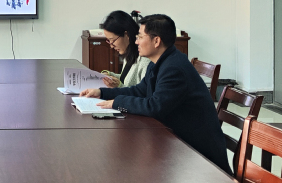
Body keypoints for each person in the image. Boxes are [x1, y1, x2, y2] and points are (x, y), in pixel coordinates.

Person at [81, 14, 232, 174]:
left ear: (156, 41)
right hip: (179, 146)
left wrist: (116, 102)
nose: (136, 41)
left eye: (140, 37)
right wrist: (102, 92)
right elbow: (139, 91)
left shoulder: (174, 68)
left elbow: (154, 106)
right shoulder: (159, 62)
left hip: (200, 158)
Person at [100, 10, 151, 88]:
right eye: (108, 41)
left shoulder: (145, 60)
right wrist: (108, 75)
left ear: (126, 35)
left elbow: (144, 93)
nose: (111, 46)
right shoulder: (129, 53)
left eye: (113, 40)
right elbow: (126, 78)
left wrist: (119, 86)